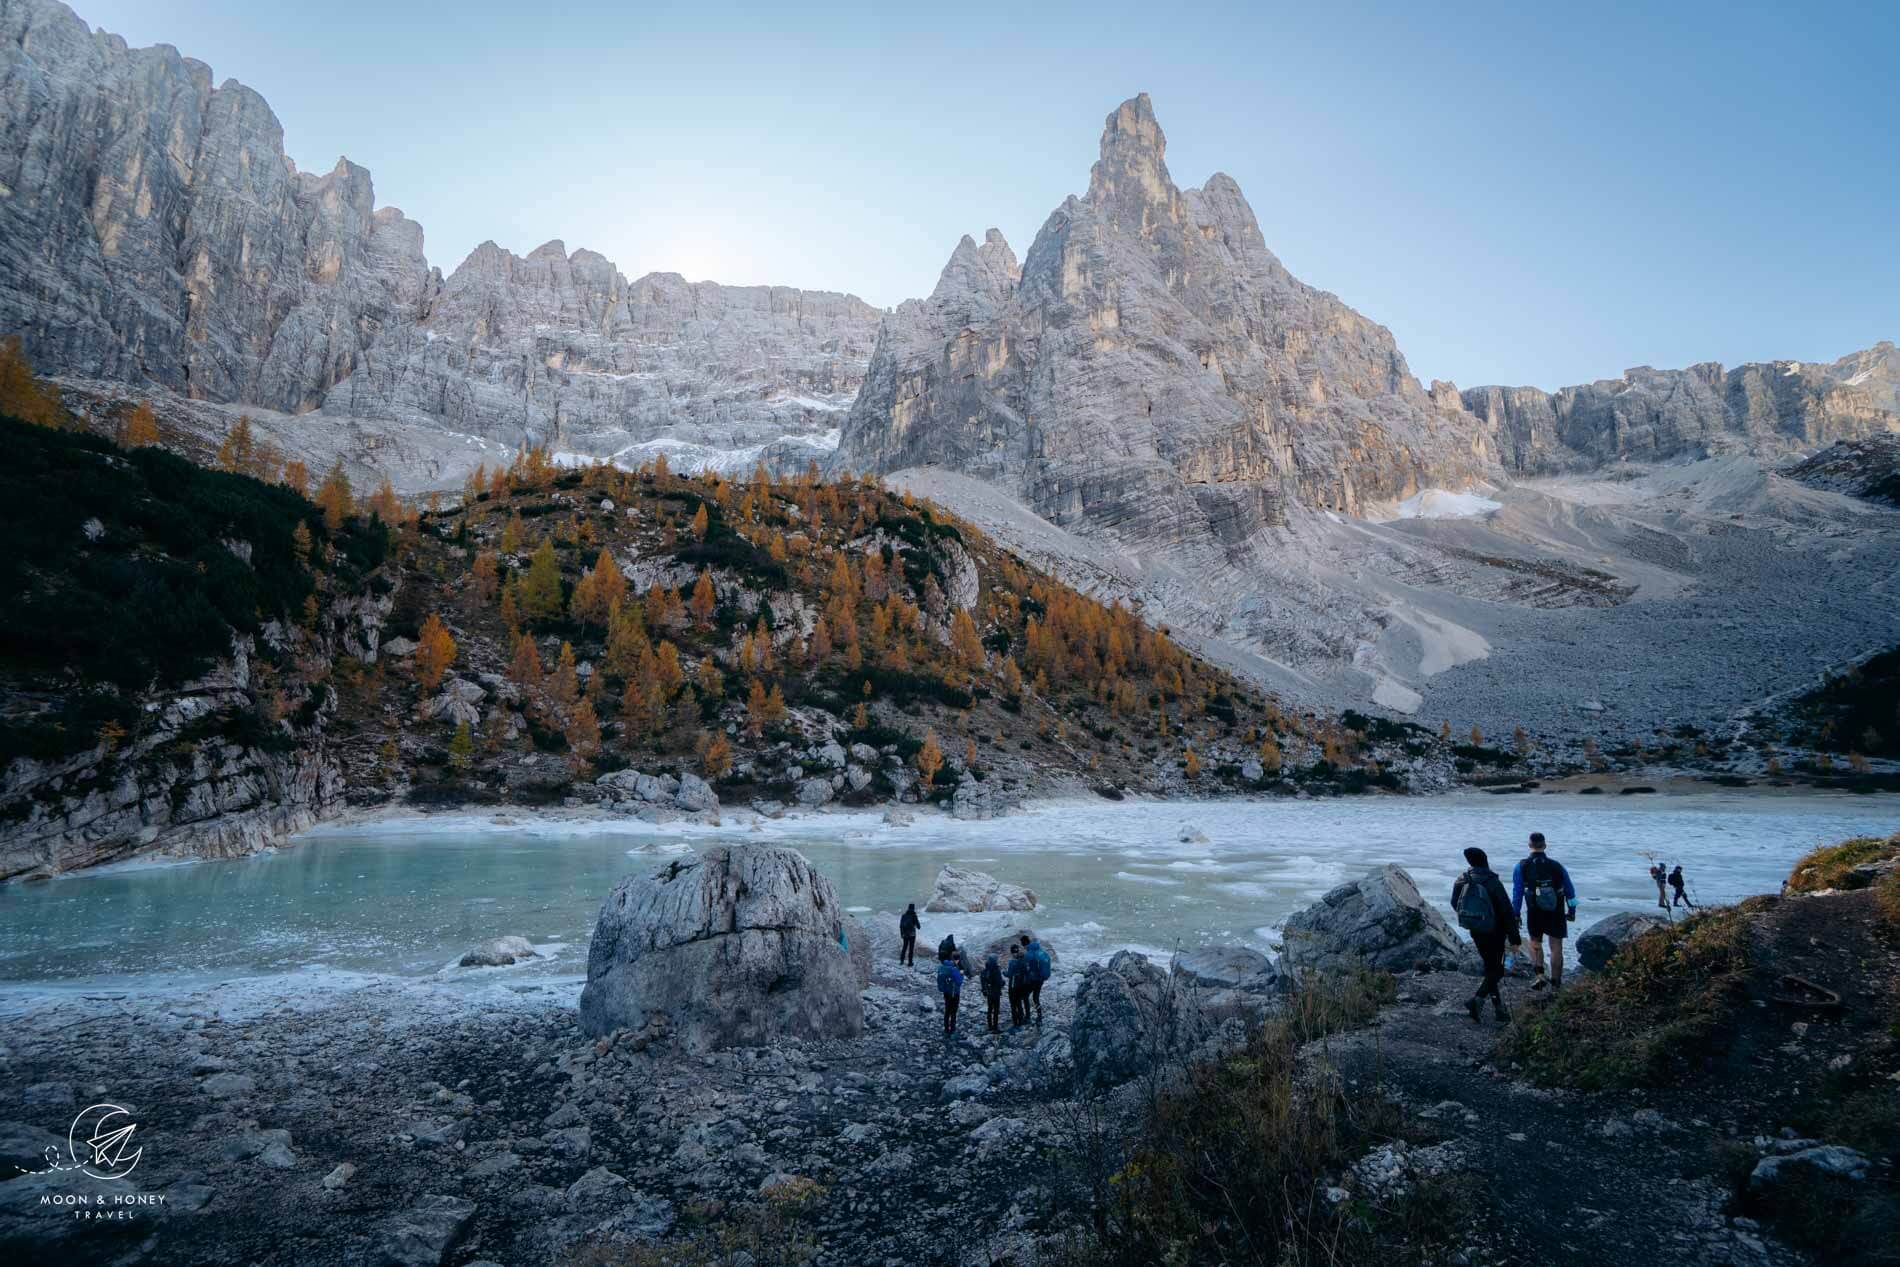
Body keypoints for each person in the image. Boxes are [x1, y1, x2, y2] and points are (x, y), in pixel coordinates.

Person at [1451, 845, 1522, 1022]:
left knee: (1491, 968)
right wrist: (1514, 937)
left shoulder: (1462, 879)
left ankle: (1499, 1009)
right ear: (1485, 860)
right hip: (1495, 931)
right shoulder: (1492, 881)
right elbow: (1506, 911)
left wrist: (1473, 918)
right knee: (1496, 971)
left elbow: (1455, 903)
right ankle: (1477, 1000)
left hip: (1476, 929)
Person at [1511, 832, 1577, 992]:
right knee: (1556, 948)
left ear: (1529, 845)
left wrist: (1516, 913)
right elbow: (1570, 890)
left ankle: (1540, 975)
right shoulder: (1557, 866)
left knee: (1535, 944)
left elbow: (1517, 892)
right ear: (1545, 845)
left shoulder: (1521, 866)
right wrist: (1572, 910)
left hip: (1534, 911)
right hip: (1556, 910)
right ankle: (1556, 984)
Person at [1022, 934, 1051, 1023]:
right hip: (1041, 979)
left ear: (1024, 944)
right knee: (1035, 997)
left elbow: (1027, 968)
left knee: (1025, 996)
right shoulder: (1039, 950)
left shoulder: (1029, 954)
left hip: (1033, 979)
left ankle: (1027, 1017)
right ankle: (1039, 1016)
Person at [1005, 943, 1031, 1028]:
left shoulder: (1012, 962)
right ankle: (1024, 1018)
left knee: (1013, 1005)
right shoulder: (1023, 960)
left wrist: (1003, 973)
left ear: (1012, 952)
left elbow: (1009, 974)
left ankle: (1016, 1023)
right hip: (1023, 985)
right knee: (1020, 1003)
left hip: (1013, 986)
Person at [936, 955, 963, 1036]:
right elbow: (959, 982)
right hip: (954, 993)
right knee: (953, 1012)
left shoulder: (942, 967)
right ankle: (952, 1031)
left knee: (947, 1011)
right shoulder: (953, 969)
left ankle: (946, 1029)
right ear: (956, 960)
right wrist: (961, 974)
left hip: (946, 992)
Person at [979, 954, 1005, 1033]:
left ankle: (990, 1026)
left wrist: (984, 990)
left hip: (988, 992)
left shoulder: (984, 971)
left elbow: (982, 982)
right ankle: (995, 1027)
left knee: (990, 1009)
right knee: (996, 1010)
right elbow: (999, 982)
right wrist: (1003, 983)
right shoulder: (996, 970)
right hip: (996, 992)